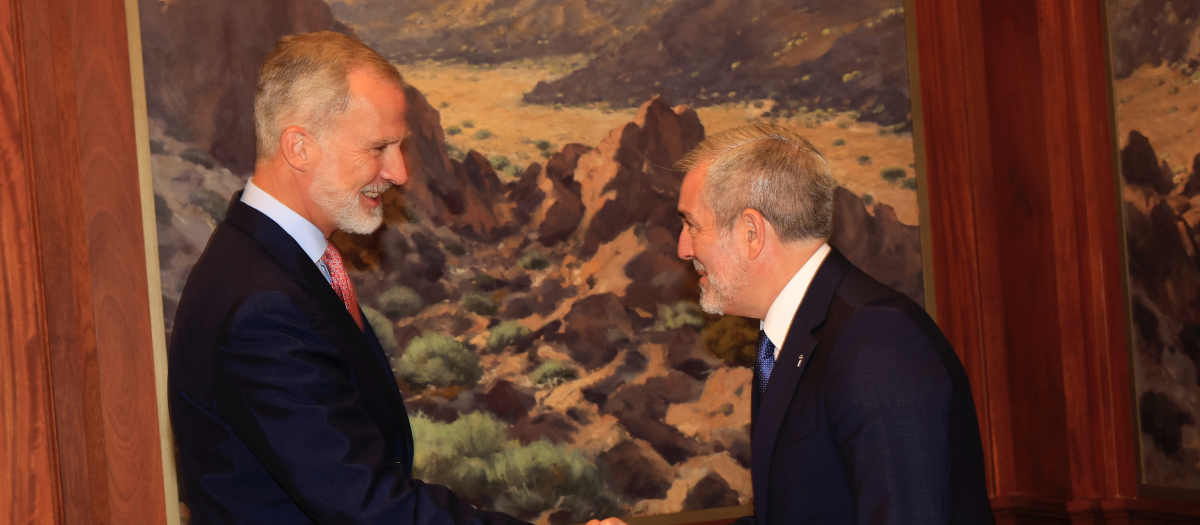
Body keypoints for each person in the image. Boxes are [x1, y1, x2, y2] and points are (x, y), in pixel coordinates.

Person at [169, 31, 627, 525]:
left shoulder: (268, 259)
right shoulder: (261, 304)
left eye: (400, 146)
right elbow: (366, 505)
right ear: (299, 147)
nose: (400, 171)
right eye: (379, 147)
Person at [674, 124, 993, 524]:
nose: (683, 247)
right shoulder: (790, 338)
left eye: (691, 224)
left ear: (751, 233)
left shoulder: (877, 344)